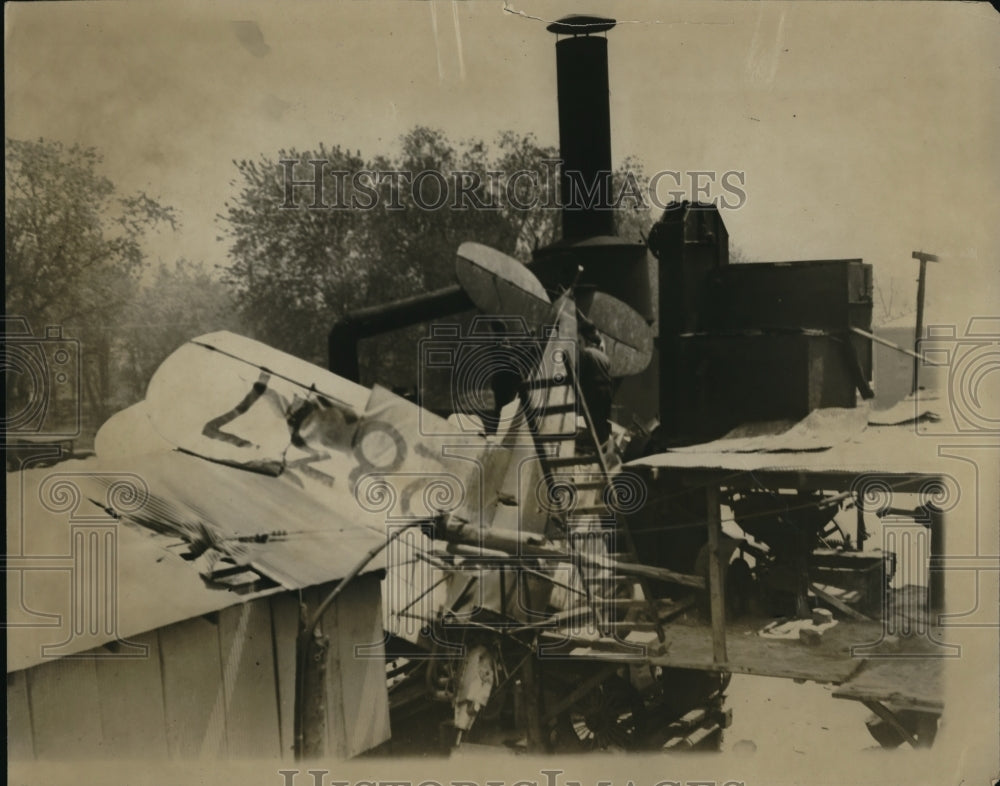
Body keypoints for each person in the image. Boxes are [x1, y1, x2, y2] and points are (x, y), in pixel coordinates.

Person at [577, 316, 614, 445]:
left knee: (592, 423)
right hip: (607, 393)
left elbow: (578, 376)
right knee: (600, 423)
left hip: (593, 393)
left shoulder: (585, 354)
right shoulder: (604, 357)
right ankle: (603, 443)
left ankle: (593, 444)